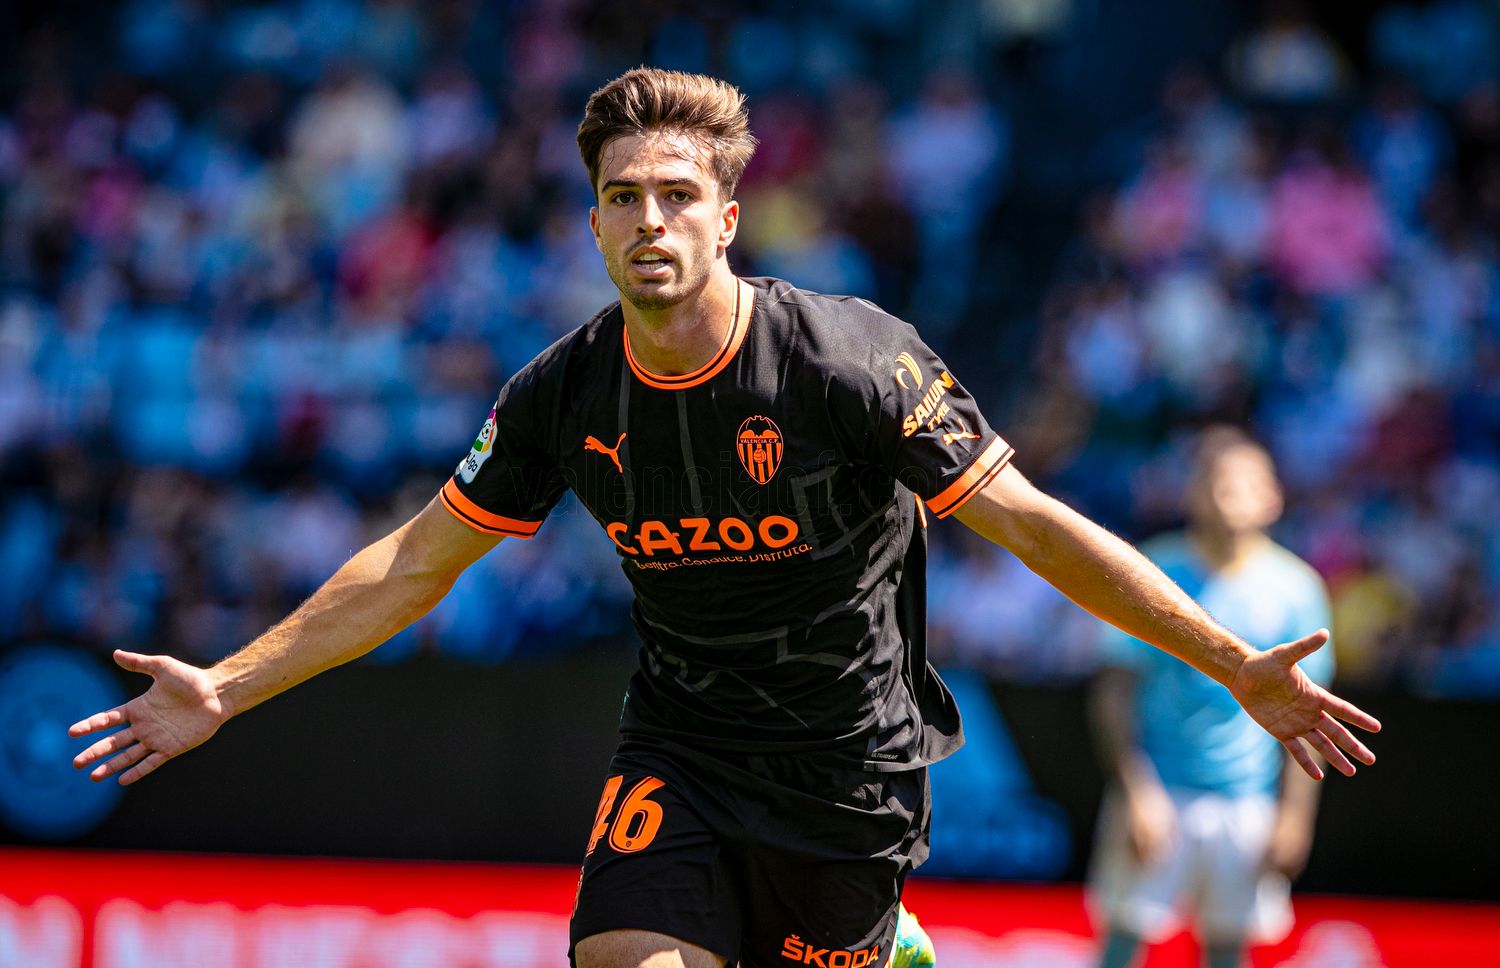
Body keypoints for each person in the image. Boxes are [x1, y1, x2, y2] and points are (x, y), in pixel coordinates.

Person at [69, 68, 1379, 968]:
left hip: (851, 775)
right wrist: (229, 688)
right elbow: (417, 562)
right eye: (625, 196)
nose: (652, 219)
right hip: (680, 751)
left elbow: (1028, 524)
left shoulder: (848, 361)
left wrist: (1223, 662)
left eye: (678, 194)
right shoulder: (564, 392)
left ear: (728, 216)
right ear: (591, 220)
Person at [1088, 428, 1334, 968]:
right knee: (1124, 937)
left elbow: (1311, 716)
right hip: (1159, 793)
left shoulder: (1297, 589)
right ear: (1193, 494)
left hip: (1247, 802)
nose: (1231, 497)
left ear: (1274, 497)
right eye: (1217, 484)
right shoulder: (1150, 572)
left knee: (1228, 947)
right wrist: (1135, 791)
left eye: (1247, 485)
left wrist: (1294, 815)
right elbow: (1113, 691)